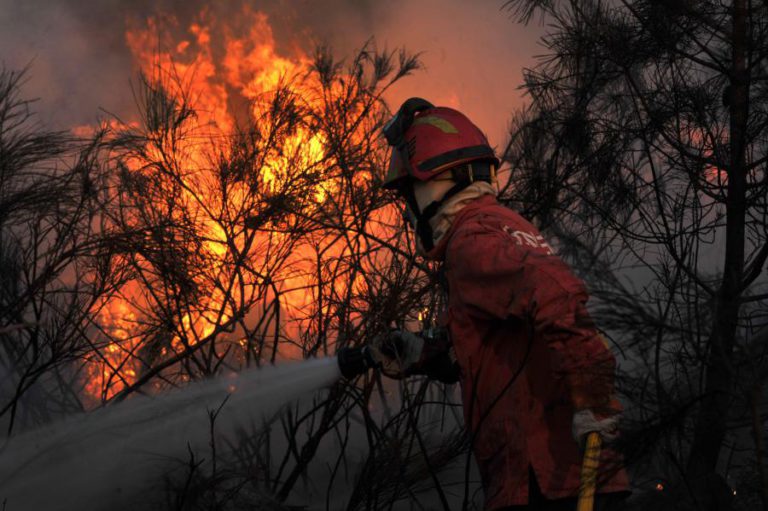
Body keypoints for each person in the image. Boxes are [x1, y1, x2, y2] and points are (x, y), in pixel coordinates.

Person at [371, 98, 630, 510]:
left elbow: (556, 296)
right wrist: (426, 351)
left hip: (545, 481)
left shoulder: (473, 240)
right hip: (566, 475)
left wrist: (592, 397)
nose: (409, 210)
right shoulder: (505, 225)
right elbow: (505, 334)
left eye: (410, 193)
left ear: (438, 182)